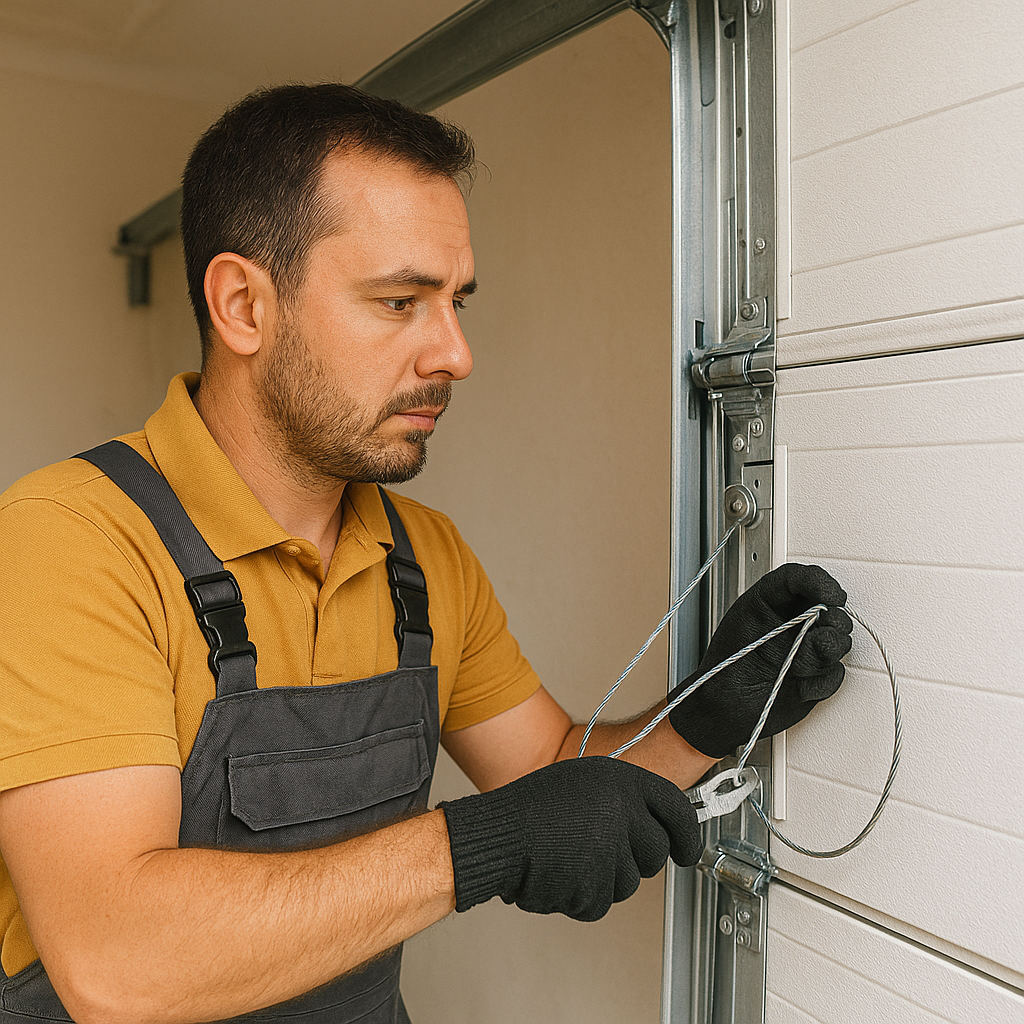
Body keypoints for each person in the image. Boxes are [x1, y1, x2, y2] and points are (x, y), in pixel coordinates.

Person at [0, 84, 852, 1024]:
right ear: (243, 304)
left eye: (456, 301)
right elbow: (118, 961)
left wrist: (708, 715)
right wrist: (472, 850)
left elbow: (546, 780)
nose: (455, 352)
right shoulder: (72, 540)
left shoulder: (423, 559)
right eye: (400, 300)